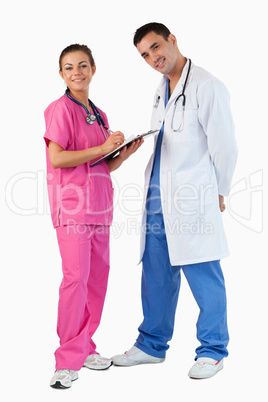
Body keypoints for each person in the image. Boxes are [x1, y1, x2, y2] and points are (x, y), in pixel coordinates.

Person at [112, 23, 238, 379]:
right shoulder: (161, 88)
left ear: (173, 40)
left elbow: (225, 144)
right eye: (145, 55)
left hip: (192, 196)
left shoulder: (206, 85)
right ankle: (151, 345)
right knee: (156, 273)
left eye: (156, 47)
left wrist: (220, 190)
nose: (153, 58)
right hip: (158, 195)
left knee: (203, 272)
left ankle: (212, 350)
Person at [44, 44, 143, 389]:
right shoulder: (60, 109)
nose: (77, 72)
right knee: (75, 281)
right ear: (61, 74)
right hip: (72, 208)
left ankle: (85, 348)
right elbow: (58, 158)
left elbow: (101, 164)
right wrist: (103, 148)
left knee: (96, 282)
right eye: (69, 67)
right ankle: (66, 361)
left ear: (93, 69)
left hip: (100, 208)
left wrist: (122, 153)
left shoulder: (98, 114)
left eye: (83, 65)